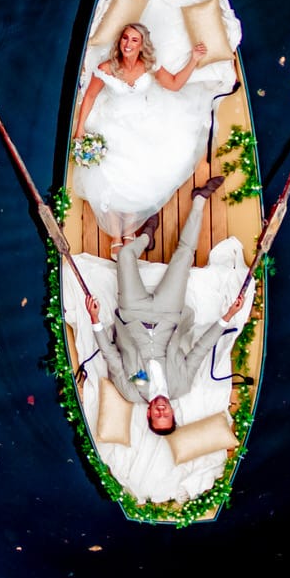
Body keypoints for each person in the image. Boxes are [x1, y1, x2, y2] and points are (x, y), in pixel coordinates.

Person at [84, 182, 234, 435]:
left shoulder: (133, 390)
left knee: (124, 256)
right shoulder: (181, 386)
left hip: (133, 315)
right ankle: (199, 200)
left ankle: (146, 236)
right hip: (169, 315)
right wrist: (227, 317)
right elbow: (200, 350)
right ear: (173, 413)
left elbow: (111, 356)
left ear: (149, 414)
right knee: (184, 256)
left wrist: (95, 319)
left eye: (157, 416)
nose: (162, 411)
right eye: (166, 416)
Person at [70, 23, 215, 240]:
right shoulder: (106, 68)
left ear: (141, 46)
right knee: (108, 178)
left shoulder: (149, 66)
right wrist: (80, 130)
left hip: (145, 121)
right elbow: (90, 96)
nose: (128, 43)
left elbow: (174, 85)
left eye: (134, 40)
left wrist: (193, 59)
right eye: (125, 38)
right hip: (113, 123)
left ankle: (128, 233)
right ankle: (116, 238)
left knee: (139, 175)